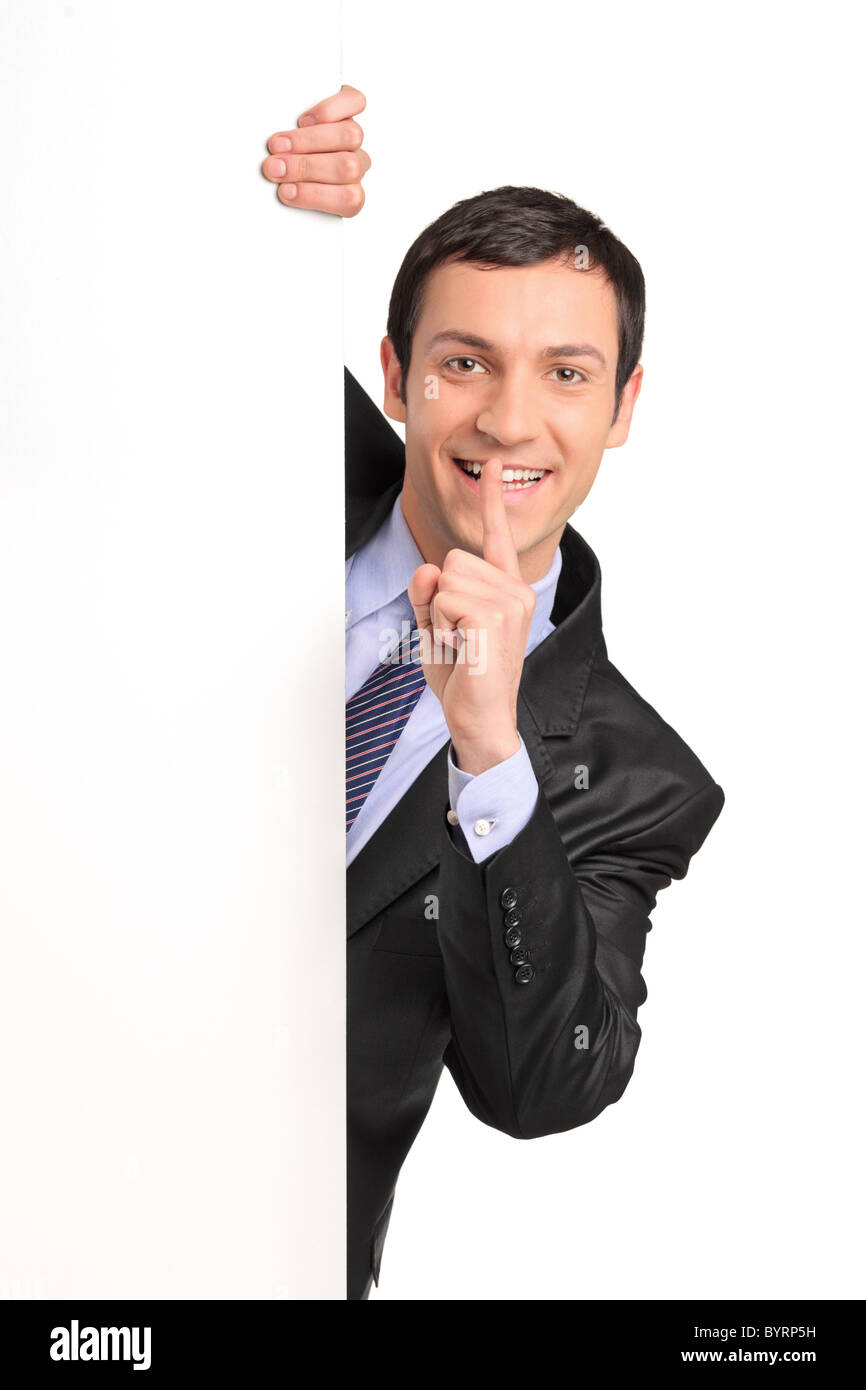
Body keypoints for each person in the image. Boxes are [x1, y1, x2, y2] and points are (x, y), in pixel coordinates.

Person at [262, 88, 725, 1301]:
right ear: (396, 372)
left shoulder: (636, 775)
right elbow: (74, 275)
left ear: (622, 407)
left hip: (248, 1256)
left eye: (564, 373)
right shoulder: (252, 444)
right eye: (464, 361)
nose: (508, 420)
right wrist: (250, 183)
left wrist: (484, 749)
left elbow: (541, 1089)